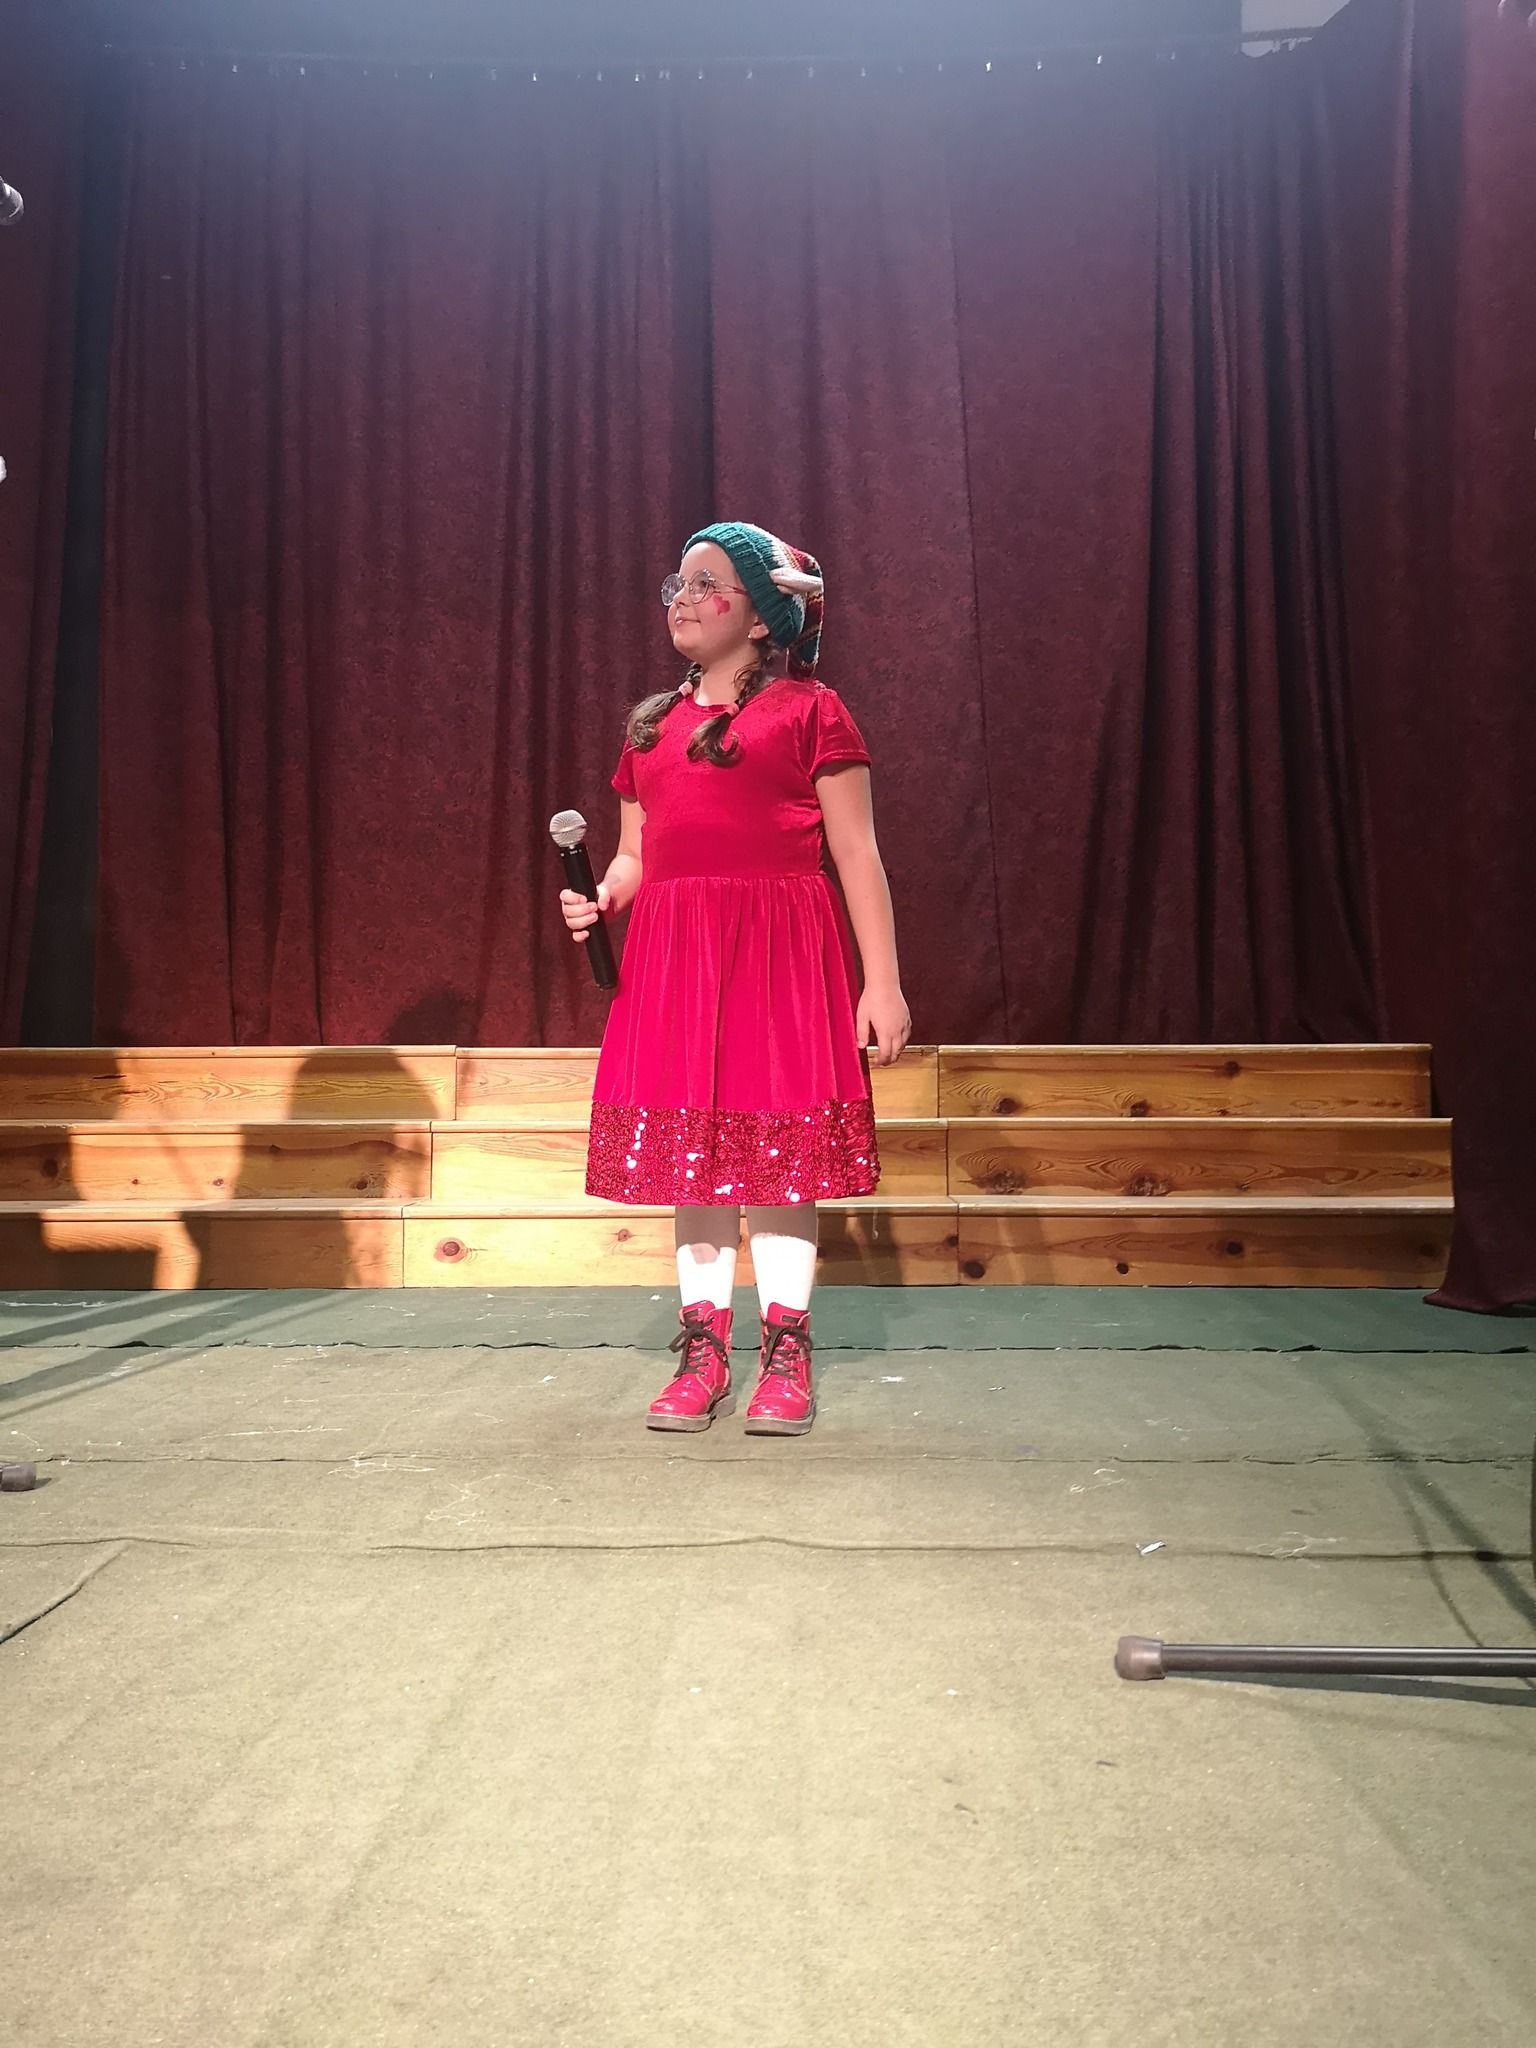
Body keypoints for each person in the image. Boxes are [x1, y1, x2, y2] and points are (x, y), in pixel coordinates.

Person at [561, 522, 909, 1435]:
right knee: (695, 1155)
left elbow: (858, 854)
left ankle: (786, 1349)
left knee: (779, 1156)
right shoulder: (651, 728)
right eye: (676, 582)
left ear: (761, 617)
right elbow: (637, 853)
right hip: (677, 956)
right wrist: (605, 894)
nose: (683, 598)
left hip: (778, 954)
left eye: (707, 582)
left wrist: (882, 983)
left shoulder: (810, 711)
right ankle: (705, 1349)